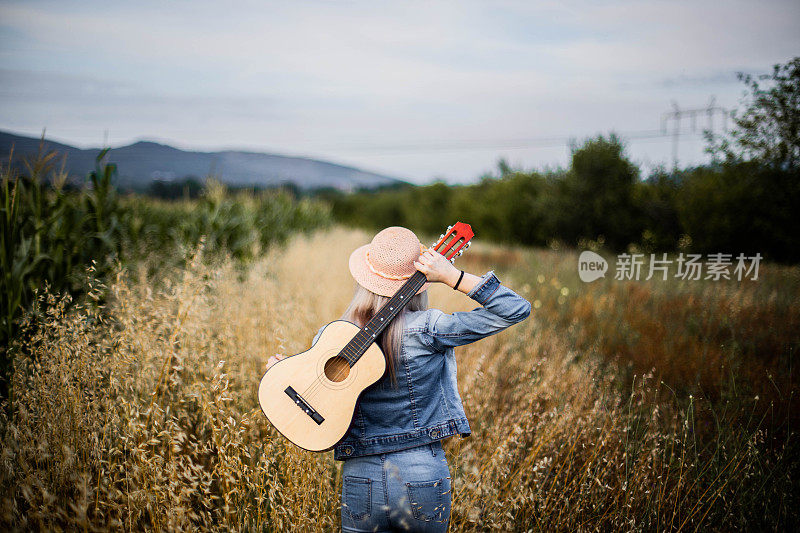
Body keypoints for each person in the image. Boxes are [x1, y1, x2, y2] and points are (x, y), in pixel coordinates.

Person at [267, 226, 531, 532]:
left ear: (364, 277)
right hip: (422, 470)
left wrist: (284, 374)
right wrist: (452, 276)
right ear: (421, 280)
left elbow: (317, 406)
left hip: (360, 473)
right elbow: (516, 309)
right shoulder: (430, 328)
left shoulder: (334, 336)